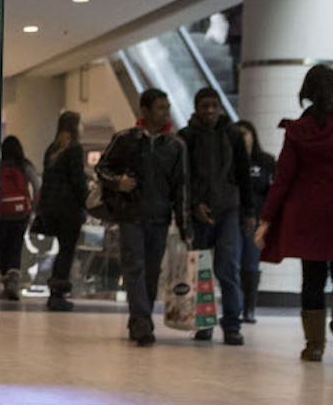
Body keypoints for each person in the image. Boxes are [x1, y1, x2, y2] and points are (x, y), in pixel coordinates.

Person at [95, 88, 188, 347]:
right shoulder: (125, 140)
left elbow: (181, 186)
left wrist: (183, 225)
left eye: (167, 107)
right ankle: (142, 321)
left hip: (159, 217)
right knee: (134, 266)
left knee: (151, 271)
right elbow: (101, 168)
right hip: (131, 215)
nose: (166, 112)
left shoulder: (175, 146)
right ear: (144, 111)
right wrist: (118, 182)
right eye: (160, 107)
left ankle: (139, 316)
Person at [255, 65, 333, 361]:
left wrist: (267, 219)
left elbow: (283, 178)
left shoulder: (299, 130)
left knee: (312, 278)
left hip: (310, 214)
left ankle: (315, 345)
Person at [178, 88, 252, 344]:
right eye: (204, 106)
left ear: (220, 107)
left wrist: (249, 213)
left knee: (228, 267)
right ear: (196, 108)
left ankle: (232, 324)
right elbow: (183, 178)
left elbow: (243, 175)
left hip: (228, 209)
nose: (209, 111)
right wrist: (194, 205)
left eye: (214, 106)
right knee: (201, 269)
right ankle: (204, 322)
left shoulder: (233, 135)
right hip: (199, 212)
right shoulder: (186, 137)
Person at [38, 111, 88, 311]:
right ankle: (58, 293)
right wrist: (86, 202)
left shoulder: (53, 149)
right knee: (67, 251)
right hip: (70, 209)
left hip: (52, 209)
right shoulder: (74, 149)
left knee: (61, 250)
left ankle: (55, 291)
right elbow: (78, 181)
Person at [232, 119, 274, 323]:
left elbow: (271, 192)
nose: (242, 138)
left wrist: (266, 219)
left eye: (245, 134)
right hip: (232, 219)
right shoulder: (228, 162)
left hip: (255, 221)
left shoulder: (265, 161)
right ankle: (235, 306)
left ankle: (249, 308)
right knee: (232, 263)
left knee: (251, 263)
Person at [0, 136, 38, 301]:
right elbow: (37, 184)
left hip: (1, 212)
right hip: (20, 213)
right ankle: (12, 284)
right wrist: (33, 207)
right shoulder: (24, 165)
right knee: (15, 246)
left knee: (0, 246)